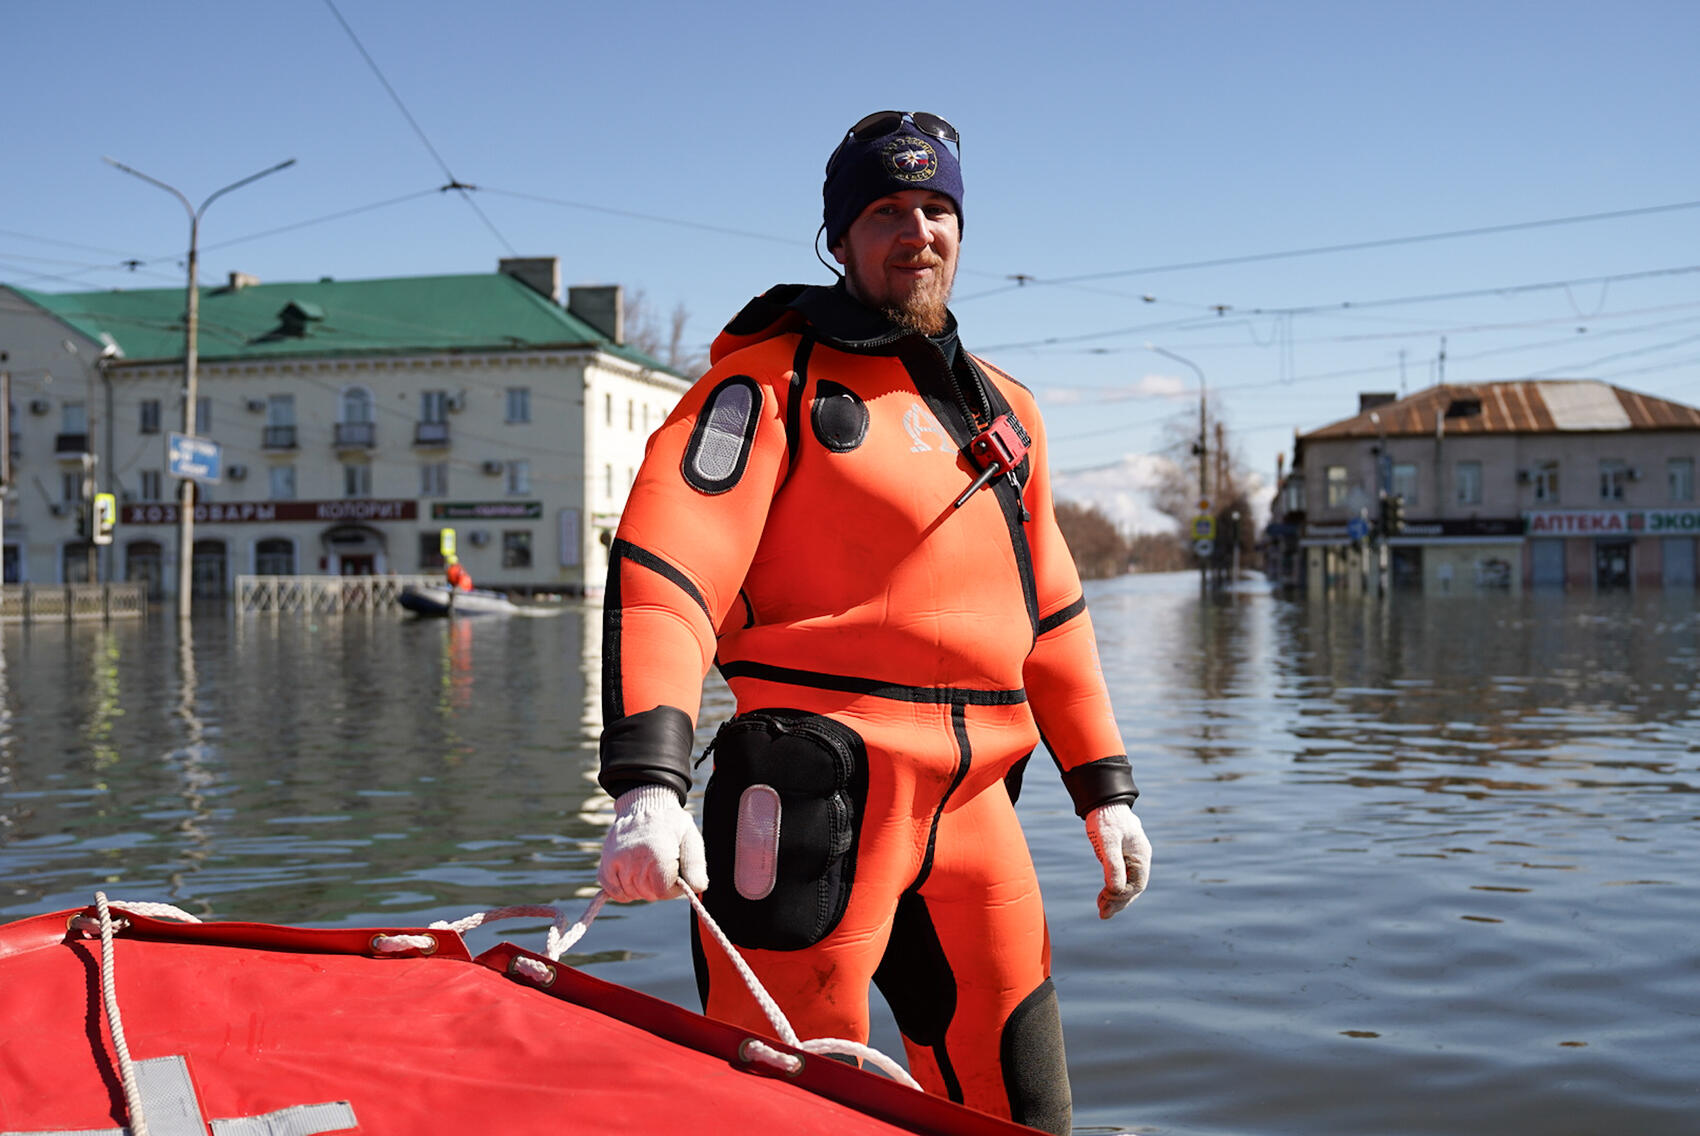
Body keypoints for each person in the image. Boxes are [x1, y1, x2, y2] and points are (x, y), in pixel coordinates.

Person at [595, 109, 1150, 1134]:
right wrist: (646, 782)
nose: (917, 229)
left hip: (979, 809)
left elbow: (1055, 615)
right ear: (838, 239)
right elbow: (664, 573)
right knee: (779, 1109)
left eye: (937, 207)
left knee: (1023, 1104)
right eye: (887, 209)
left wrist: (1103, 791)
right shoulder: (761, 385)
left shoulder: (1007, 413)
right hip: (809, 794)